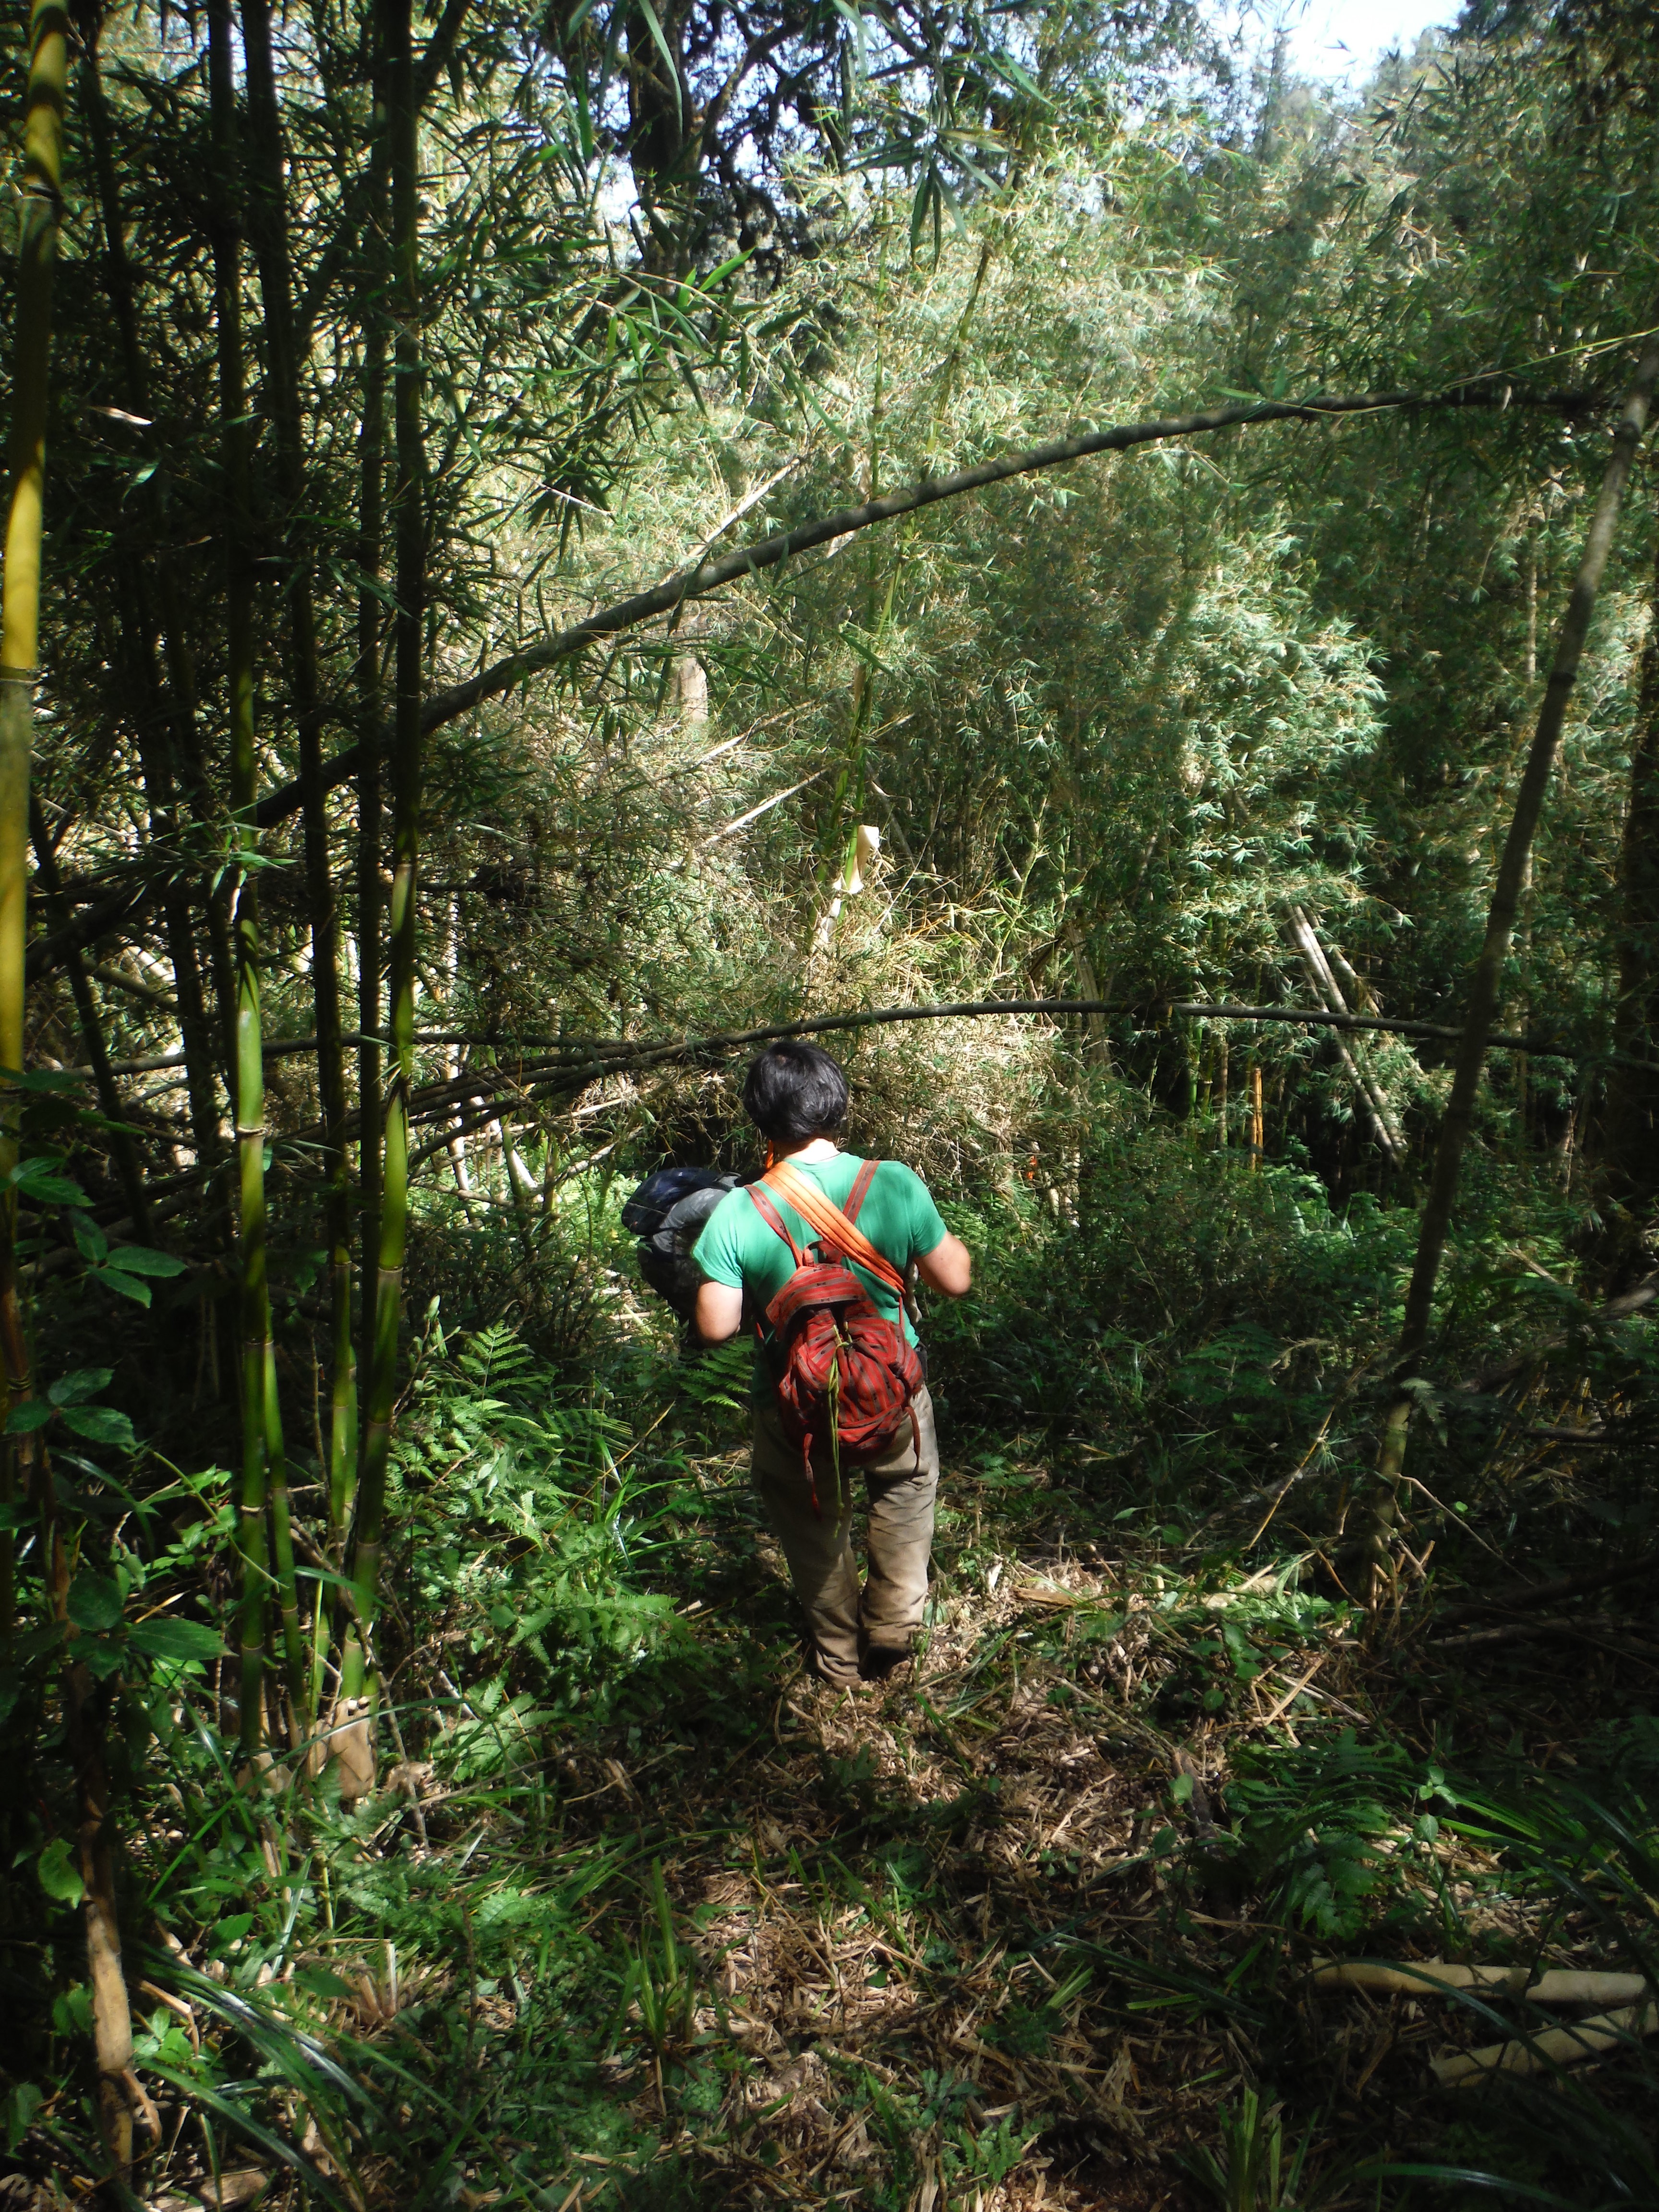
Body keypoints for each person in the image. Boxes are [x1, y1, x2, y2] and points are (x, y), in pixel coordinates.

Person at [693, 1042, 972, 1687]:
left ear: (759, 1118)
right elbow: (955, 1278)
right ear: (837, 1105)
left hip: (795, 1409)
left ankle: (839, 1663)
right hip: (893, 1394)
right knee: (904, 1492)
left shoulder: (739, 1211)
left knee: (815, 1530)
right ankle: (895, 1633)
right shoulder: (894, 1183)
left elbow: (715, 1327)